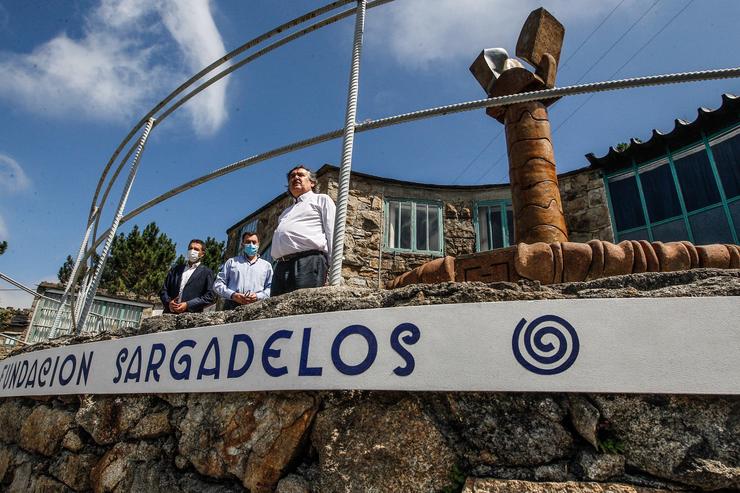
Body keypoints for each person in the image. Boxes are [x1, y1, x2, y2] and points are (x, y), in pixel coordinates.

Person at [270, 165, 336, 296]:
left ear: (312, 182)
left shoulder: (321, 200)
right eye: (292, 176)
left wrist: (333, 269)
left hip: (308, 262)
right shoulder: (285, 213)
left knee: (301, 311)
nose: (295, 177)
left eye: (300, 175)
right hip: (281, 266)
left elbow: (332, 232)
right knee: (275, 312)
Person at [214, 231, 273, 310]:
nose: (251, 245)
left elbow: (271, 287)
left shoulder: (266, 266)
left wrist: (258, 296)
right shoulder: (231, 262)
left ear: (258, 244)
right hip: (231, 305)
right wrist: (233, 295)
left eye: (254, 242)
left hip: (258, 306)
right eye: (248, 242)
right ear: (242, 244)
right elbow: (218, 284)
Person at [160, 239, 215, 314]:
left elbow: (209, 296)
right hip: (169, 314)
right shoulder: (176, 269)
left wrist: (188, 305)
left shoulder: (207, 272)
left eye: (196, 249)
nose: (192, 251)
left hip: (191, 317)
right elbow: (164, 290)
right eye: (190, 248)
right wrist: (169, 303)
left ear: (202, 254)